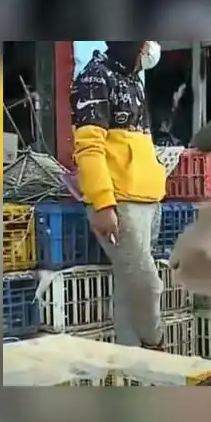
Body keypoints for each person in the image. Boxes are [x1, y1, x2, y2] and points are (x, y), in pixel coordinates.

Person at [71, 41, 168, 349]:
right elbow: (89, 146)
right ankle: (157, 344)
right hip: (120, 202)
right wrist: (103, 203)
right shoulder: (94, 78)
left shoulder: (133, 81)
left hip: (148, 199)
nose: (148, 52)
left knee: (128, 288)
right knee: (148, 285)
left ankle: (133, 369)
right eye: (143, 47)